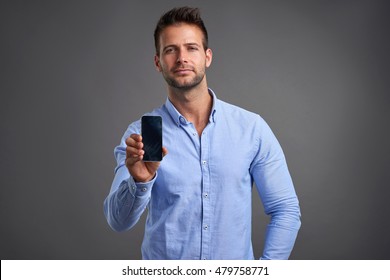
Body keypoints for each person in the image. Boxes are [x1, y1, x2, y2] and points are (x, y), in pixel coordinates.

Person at [104, 6, 301, 260]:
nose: (181, 58)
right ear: (158, 62)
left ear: (207, 57)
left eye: (191, 48)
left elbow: (285, 209)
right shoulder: (143, 134)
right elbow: (117, 222)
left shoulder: (251, 129)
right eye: (170, 50)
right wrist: (140, 182)